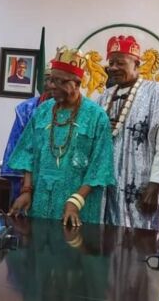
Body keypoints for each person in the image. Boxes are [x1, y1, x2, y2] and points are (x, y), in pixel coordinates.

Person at [7, 46, 114, 226]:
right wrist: (26, 190)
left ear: (77, 83)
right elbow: (27, 153)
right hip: (40, 204)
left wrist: (76, 201)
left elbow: (100, 167)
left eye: (59, 81)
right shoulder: (42, 111)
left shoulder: (96, 116)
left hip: (77, 210)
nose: (50, 86)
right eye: (50, 80)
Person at [97, 35, 159, 231]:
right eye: (111, 62)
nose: (113, 67)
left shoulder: (158, 94)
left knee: (142, 242)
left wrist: (155, 185)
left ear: (137, 64)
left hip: (142, 187)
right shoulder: (104, 97)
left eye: (120, 63)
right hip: (109, 187)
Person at [1, 64, 53, 203]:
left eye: (54, 79)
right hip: (25, 178)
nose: (50, 84)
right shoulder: (26, 109)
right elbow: (15, 144)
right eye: (47, 79)